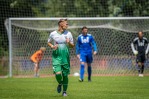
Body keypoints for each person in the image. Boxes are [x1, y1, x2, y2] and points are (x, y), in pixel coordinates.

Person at [48, 19, 74, 96]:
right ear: (61, 24)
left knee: (65, 75)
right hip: (56, 56)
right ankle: (60, 83)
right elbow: (48, 42)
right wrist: (52, 46)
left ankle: (64, 92)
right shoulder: (53, 33)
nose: (67, 25)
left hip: (65, 57)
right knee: (58, 73)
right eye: (66, 24)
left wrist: (69, 42)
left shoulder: (69, 33)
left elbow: (72, 46)